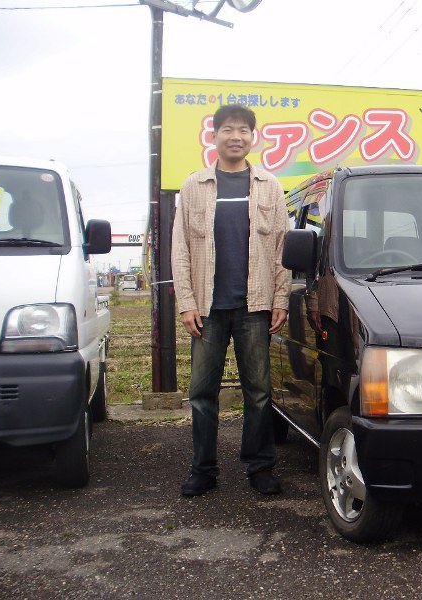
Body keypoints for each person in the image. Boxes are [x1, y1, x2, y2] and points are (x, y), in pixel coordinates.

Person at [171, 104, 290, 497]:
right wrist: (186, 302)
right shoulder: (194, 186)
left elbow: (281, 248)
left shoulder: (269, 186)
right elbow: (180, 249)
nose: (235, 136)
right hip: (207, 309)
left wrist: (281, 298)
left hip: (254, 307)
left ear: (252, 137)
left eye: (243, 130)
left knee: (259, 392)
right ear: (214, 136)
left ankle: (260, 467)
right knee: (202, 394)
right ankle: (203, 469)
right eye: (227, 129)